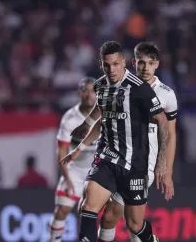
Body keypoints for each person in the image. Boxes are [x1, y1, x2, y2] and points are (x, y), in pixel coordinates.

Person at [61, 41, 170, 242]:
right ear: (101, 64)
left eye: (115, 64)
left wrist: (161, 161)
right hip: (107, 159)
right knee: (87, 206)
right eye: (106, 65)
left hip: (134, 166)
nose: (111, 69)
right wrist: (83, 136)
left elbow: (163, 123)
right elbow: (102, 115)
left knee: (134, 224)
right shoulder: (100, 86)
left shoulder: (140, 89)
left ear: (124, 62)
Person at [97, 42, 178, 242]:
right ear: (133, 63)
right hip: (119, 161)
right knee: (123, 223)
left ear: (157, 64)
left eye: (150, 63)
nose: (145, 68)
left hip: (143, 167)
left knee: (120, 220)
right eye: (141, 63)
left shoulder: (166, 94)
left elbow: (171, 134)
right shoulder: (121, 88)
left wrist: (166, 171)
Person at [48, 77, 98, 242]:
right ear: (80, 93)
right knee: (62, 210)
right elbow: (62, 152)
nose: (90, 95)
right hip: (75, 171)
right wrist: (68, 179)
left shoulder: (105, 114)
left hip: (98, 171)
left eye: (94, 91)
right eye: (87, 91)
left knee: (104, 214)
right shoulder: (70, 119)